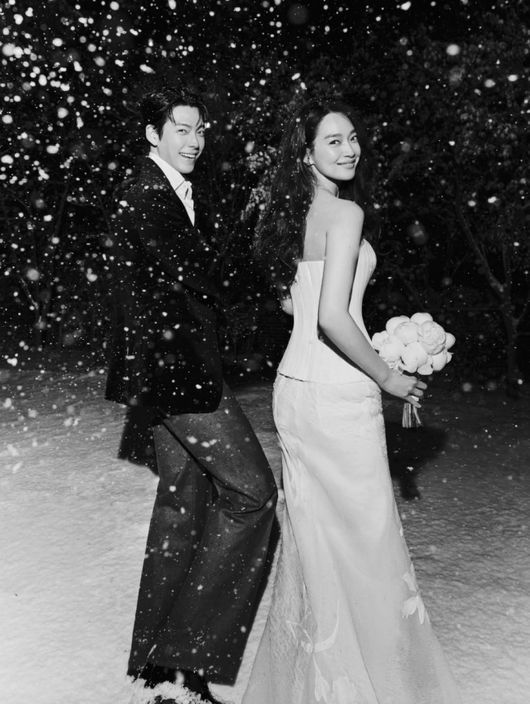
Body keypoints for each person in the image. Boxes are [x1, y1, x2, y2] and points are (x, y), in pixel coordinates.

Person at [241, 99, 461, 704]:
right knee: (368, 541)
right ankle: (381, 684)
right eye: (332, 141)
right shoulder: (345, 213)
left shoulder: (289, 216)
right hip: (338, 394)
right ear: (306, 153)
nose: (349, 149)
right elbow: (333, 317)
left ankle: (322, 684)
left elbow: (292, 304)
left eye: (353, 138)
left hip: (295, 390)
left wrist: (379, 343)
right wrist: (388, 375)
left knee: (316, 545)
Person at [105, 85, 277, 704]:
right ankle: (183, 655)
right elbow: (200, 273)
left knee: (182, 504)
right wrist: (273, 274)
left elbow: (187, 277)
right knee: (253, 494)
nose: (195, 140)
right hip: (176, 376)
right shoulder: (147, 194)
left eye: (200, 129)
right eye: (181, 128)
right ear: (153, 134)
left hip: (166, 373)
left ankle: (157, 665)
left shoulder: (169, 190)